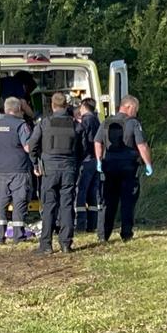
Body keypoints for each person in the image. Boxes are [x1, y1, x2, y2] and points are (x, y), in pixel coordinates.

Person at [28, 92, 82, 254]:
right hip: (69, 168)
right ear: (66, 105)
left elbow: (32, 144)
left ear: (52, 106)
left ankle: (46, 245)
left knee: (49, 206)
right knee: (66, 205)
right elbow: (83, 147)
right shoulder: (75, 124)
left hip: (49, 169)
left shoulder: (45, 123)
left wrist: (35, 162)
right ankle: (66, 244)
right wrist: (75, 163)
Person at [94, 95, 153, 242]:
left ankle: (103, 235)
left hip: (109, 166)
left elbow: (97, 142)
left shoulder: (106, 122)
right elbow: (142, 145)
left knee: (108, 201)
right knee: (128, 201)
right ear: (129, 107)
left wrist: (99, 160)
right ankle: (126, 234)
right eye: (136, 110)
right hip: (128, 167)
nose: (136, 113)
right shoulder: (133, 123)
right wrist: (148, 164)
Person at [0, 97, 33, 245]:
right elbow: (28, 147)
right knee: (19, 202)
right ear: (18, 109)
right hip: (19, 169)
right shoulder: (21, 125)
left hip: (2, 170)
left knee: (1, 203)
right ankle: (18, 237)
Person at [75, 98, 101, 232]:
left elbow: (82, 139)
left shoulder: (86, 120)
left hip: (86, 160)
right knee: (93, 193)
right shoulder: (97, 120)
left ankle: (80, 225)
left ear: (84, 106)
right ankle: (93, 224)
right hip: (96, 160)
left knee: (81, 192)